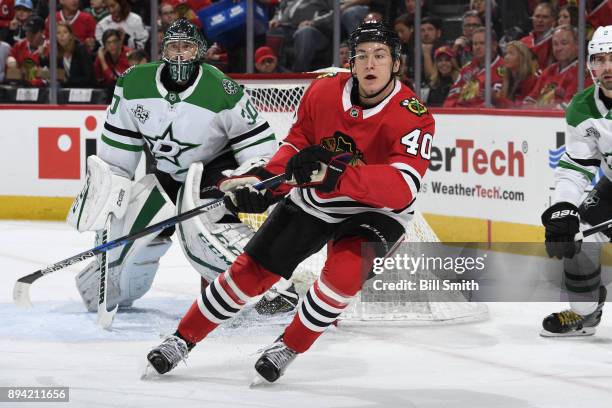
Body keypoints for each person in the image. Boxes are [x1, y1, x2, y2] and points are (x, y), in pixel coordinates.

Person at [145, 21, 435, 383]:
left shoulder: (413, 115)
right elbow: (297, 144)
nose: (370, 64)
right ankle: (181, 339)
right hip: (317, 202)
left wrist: (335, 176)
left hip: (377, 213)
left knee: (342, 278)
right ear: (351, 62)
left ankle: (289, 345)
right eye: (362, 56)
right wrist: (264, 181)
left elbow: (402, 187)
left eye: (380, 56)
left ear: (396, 64)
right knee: (248, 275)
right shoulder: (323, 92)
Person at [67, 19, 284, 321]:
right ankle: (111, 287)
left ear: (201, 51)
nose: (180, 54)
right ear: (163, 50)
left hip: (213, 171)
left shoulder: (223, 89)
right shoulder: (133, 83)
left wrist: (250, 179)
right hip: (167, 174)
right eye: (173, 46)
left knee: (207, 231)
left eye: (187, 47)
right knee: (124, 241)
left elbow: (259, 148)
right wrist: (109, 195)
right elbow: (116, 157)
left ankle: (273, 288)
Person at [539, 25, 611, 337]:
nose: (607, 68)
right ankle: (586, 312)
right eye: (599, 59)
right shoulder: (583, 107)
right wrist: (563, 207)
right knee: (576, 231)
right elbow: (576, 167)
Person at [524, 25, 591, 108]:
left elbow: (570, 107)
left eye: (564, 43)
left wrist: (538, 107)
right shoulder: (549, 70)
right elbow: (530, 100)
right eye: (555, 44)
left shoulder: (585, 72)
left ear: (578, 45)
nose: (558, 48)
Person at [443, 27, 504, 108]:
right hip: (460, 116)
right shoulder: (467, 69)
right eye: (475, 44)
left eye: (482, 43)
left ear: (494, 45)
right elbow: (452, 96)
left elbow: (503, 102)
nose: (477, 47)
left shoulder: (505, 68)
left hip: (485, 117)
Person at [494, 40, 538, 108]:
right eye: (505, 54)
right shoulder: (507, 78)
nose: (506, 57)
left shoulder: (531, 80)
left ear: (522, 57)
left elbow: (519, 108)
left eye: (511, 54)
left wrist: (496, 99)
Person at [55, 21, 94, 87]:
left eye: (65, 32)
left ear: (70, 35)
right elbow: (60, 75)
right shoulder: (57, 53)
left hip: (86, 90)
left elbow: (88, 78)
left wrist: (68, 81)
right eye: (58, 33)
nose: (62, 35)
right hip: (68, 91)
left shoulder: (80, 49)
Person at [519, 2, 555, 70]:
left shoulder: (556, 42)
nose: (540, 20)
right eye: (537, 16)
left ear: (553, 21)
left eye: (545, 17)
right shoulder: (523, 41)